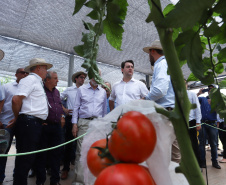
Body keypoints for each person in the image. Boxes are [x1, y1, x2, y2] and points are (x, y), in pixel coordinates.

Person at [12, 58, 53, 185]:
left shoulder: (38, 82)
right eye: (45, 68)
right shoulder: (30, 79)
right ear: (38, 68)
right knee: (25, 160)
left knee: (31, 159)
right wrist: (18, 118)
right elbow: (16, 99)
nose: (47, 71)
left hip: (35, 123)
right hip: (29, 123)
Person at [143, 40, 179, 163]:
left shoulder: (161, 64)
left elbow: (160, 90)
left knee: (163, 155)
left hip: (164, 114)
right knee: (174, 155)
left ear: (153, 51)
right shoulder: (168, 64)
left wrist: (145, 99)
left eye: (149, 53)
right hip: (171, 112)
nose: (149, 56)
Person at [71, 71, 107, 184]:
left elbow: (104, 110)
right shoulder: (81, 89)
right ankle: (79, 181)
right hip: (84, 123)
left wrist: (104, 126)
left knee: (96, 152)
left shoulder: (103, 92)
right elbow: (76, 108)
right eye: (94, 74)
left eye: (98, 75)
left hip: (97, 124)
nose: (96, 77)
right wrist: (74, 124)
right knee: (82, 152)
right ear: (90, 76)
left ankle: (93, 180)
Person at [0, 68, 28, 184]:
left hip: (22, 124)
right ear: (16, 74)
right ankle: (0, 177)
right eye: (22, 72)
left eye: (27, 73)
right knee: (3, 151)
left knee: (21, 151)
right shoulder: (6, 87)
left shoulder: (28, 89)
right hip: (6, 123)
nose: (25, 74)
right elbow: (1, 103)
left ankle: (18, 179)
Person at [35, 71, 64, 185]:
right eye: (55, 78)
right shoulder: (40, 90)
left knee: (56, 154)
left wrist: (62, 116)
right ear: (47, 80)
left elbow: (59, 105)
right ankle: (40, 181)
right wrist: (39, 120)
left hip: (56, 127)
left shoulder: (57, 91)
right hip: (44, 127)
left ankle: (55, 180)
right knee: (42, 155)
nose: (57, 80)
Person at [60, 71, 87, 180]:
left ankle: (81, 171)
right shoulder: (69, 89)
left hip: (82, 119)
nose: (83, 79)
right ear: (75, 79)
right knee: (69, 144)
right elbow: (57, 99)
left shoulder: (86, 90)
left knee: (81, 146)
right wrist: (64, 109)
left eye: (84, 78)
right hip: (70, 119)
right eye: (81, 77)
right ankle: (65, 169)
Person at [197, 85, 221, 169]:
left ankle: (215, 162)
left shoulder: (218, 101)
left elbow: (220, 111)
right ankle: (202, 162)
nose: (210, 91)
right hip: (203, 124)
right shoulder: (202, 99)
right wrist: (199, 93)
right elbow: (192, 101)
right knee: (201, 144)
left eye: (212, 89)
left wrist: (214, 105)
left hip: (212, 124)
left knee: (214, 144)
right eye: (209, 89)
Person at [185, 80, 202, 166]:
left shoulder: (191, 94)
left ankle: (198, 164)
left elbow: (197, 108)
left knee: (194, 143)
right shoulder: (176, 95)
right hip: (181, 123)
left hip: (191, 122)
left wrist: (198, 122)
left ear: (187, 85)